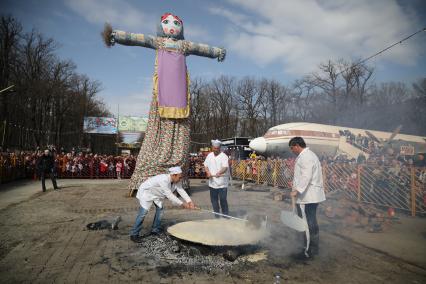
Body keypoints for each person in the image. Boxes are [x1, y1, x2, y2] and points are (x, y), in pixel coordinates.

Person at [130, 166, 195, 243]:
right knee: (143, 213)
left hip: (157, 195)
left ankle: (155, 230)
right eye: (179, 177)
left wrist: (189, 201)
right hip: (147, 193)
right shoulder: (163, 179)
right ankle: (134, 234)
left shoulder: (176, 180)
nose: (180, 179)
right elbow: (169, 195)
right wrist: (182, 204)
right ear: (174, 175)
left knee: (160, 211)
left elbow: (181, 190)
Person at [289, 137, 326, 260]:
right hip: (310, 195)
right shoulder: (309, 155)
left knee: (307, 224)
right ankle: (313, 249)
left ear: (297, 145)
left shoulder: (306, 157)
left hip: (307, 196)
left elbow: (306, 176)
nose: (291, 150)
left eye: (292, 147)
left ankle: (307, 251)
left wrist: (297, 190)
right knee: (311, 223)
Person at [203, 139, 229, 217]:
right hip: (212, 183)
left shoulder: (224, 156)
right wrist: (208, 172)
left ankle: (225, 216)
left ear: (220, 148)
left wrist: (219, 172)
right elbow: (205, 165)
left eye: (217, 148)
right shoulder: (209, 155)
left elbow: (225, 167)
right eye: (214, 148)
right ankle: (217, 216)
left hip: (222, 184)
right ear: (212, 147)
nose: (216, 150)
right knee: (214, 201)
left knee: (223, 200)